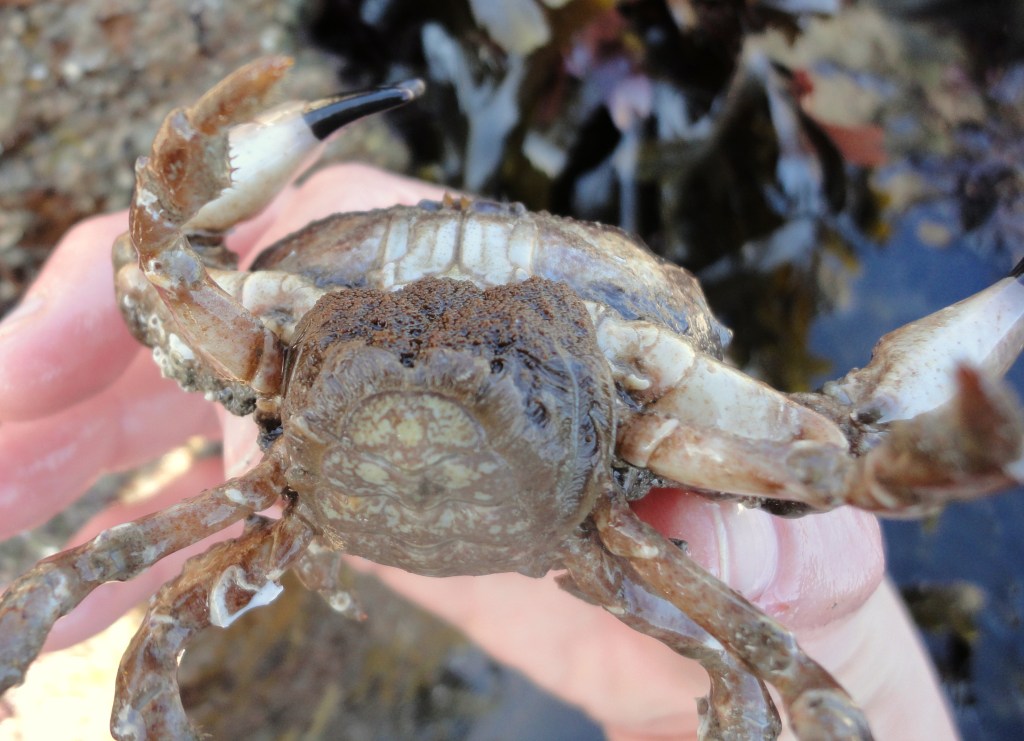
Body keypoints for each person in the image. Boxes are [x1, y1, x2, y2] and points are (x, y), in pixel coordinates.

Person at [0, 164, 958, 740]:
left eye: (546, 249)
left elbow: (829, 453)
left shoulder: (657, 409)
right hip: (358, 447)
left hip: (589, 459)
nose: (466, 277)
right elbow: (155, 265)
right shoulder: (258, 349)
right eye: (414, 251)